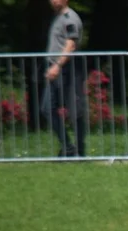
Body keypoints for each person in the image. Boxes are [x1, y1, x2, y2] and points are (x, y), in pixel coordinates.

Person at [41, 0, 87, 158]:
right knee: (47, 108)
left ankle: (80, 150)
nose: (53, 1)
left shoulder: (70, 18)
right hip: (56, 68)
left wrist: (57, 65)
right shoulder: (57, 17)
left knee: (76, 111)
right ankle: (68, 146)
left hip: (67, 68)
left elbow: (70, 45)